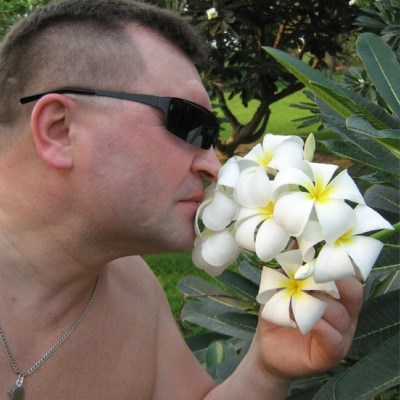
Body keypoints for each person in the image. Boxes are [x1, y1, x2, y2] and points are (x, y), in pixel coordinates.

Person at [0, 0, 363, 399]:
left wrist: (266, 370)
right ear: (60, 130)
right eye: (188, 122)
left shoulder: (133, 287)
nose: (214, 166)